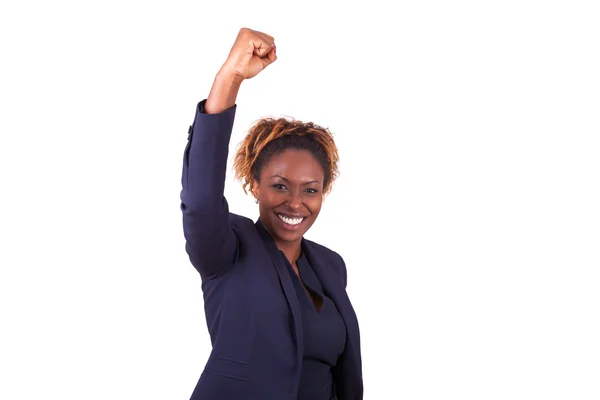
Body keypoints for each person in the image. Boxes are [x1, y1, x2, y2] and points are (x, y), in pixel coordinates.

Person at [180, 27, 363, 400]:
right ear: (254, 184)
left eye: (310, 190)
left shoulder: (331, 266)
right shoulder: (227, 249)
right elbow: (200, 201)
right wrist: (229, 77)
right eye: (280, 186)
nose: (296, 203)